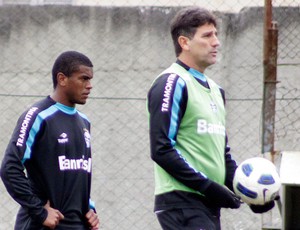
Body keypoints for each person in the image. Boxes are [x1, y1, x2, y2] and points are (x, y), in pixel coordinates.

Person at [147, 7, 275, 230]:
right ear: (184, 42)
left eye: (216, 34)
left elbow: (222, 156)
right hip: (182, 202)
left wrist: (250, 193)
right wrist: (209, 187)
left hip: (206, 203)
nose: (216, 42)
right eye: (207, 36)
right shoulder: (172, 82)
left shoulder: (216, 90)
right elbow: (161, 149)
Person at [0, 51, 100, 230]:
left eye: (90, 79)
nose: (89, 85)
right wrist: (39, 211)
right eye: (83, 79)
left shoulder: (84, 122)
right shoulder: (38, 116)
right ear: (62, 79)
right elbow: (9, 168)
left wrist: (89, 207)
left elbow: (79, 173)